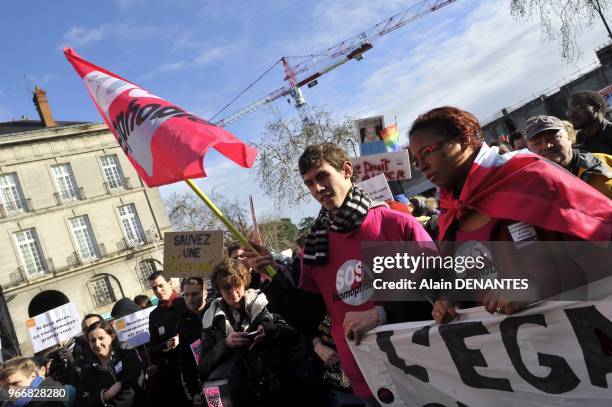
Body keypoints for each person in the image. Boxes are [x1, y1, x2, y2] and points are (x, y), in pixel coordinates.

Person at [244, 143, 434, 404]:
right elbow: (307, 317)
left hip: (423, 370)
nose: (317, 189)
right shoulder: (315, 245)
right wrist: (271, 274)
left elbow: (442, 291)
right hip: (364, 380)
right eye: (309, 183)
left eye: (322, 176)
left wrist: (381, 314)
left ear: (346, 170)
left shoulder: (397, 224)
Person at [407, 106, 611, 323]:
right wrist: (450, 299)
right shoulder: (450, 211)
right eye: (416, 161)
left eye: (427, 152)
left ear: (465, 139)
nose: (422, 166)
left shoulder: (533, 178)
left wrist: (537, 286)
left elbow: (604, 249)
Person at [199, 259, 316, 407]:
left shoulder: (264, 301)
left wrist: (268, 331)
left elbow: (293, 333)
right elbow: (203, 365)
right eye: (227, 288)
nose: (234, 293)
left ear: (244, 281)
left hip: (278, 385)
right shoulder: (210, 320)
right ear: (219, 289)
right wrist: (226, 344)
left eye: (237, 285)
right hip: (242, 394)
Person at [525, 115, 612, 198]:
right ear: (529, 151)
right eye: (537, 143)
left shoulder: (606, 163)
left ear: (569, 137)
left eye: (554, 137)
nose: (547, 146)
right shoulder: (532, 191)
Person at [75, 320, 146, 407]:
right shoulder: (87, 370)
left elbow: (130, 393)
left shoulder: (129, 356)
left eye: (101, 338)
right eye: (93, 340)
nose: (97, 344)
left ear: (112, 336)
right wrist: (105, 396)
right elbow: (80, 403)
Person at [146, 272, 189, 407]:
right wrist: (166, 345)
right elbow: (152, 348)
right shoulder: (154, 315)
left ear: (170, 283)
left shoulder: (186, 302)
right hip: (169, 374)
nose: (158, 291)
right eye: (154, 288)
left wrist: (181, 338)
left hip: (190, 367)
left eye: (161, 285)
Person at [177, 277, 208, 406]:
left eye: (194, 294)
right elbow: (185, 361)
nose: (190, 298)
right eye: (186, 295)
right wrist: (194, 392)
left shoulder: (218, 310)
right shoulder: (183, 322)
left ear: (204, 293)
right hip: (205, 384)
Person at [0, 357, 65, 407]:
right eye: (4, 386)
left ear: (33, 377)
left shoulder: (49, 401)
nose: (9, 390)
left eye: (15, 383)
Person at [568, 90, 612, 154]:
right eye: (569, 110)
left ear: (597, 107)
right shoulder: (580, 138)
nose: (571, 115)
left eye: (577, 108)